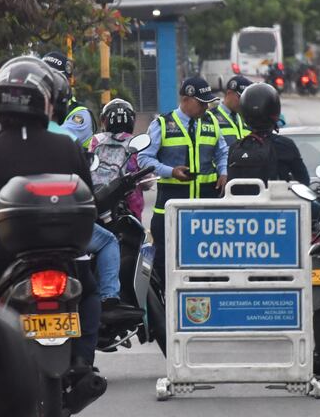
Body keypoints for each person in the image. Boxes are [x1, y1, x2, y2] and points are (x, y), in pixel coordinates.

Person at [0, 56, 104, 369]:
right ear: (45, 102)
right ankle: (84, 361)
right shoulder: (68, 148)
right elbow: (91, 202)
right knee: (89, 294)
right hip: (62, 257)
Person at [45, 69, 123, 310]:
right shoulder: (66, 141)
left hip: (18, 233)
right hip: (65, 228)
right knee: (90, 293)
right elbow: (86, 192)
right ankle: (109, 296)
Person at [137, 76, 229, 280]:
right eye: (201, 102)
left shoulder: (211, 120)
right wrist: (171, 171)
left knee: (207, 264)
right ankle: (166, 308)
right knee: (166, 263)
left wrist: (223, 171)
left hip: (206, 208)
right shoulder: (162, 123)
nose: (206, 107)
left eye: (207, 102)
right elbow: (144, 158)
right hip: (172, 208)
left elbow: (222, 152)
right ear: (186, 99)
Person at [227, 83, 310, 184]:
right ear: (276, 112)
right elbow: (304, 181)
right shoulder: (285, 145)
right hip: (276, 200)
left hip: (241, 200)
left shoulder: (235, 147)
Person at [90, 98, 149, 220]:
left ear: (104, 120)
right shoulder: (135, 142)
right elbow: (147, 181)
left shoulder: (96, 140)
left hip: (100, 199)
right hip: (129, 206)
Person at [42, 50, 95, 147]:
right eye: (43, 77)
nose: (47, 82)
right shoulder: (35, 104)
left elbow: (58, 142)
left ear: (68, 81)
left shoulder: (80, 113)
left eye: (54, 78)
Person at [212, 74, 252, 149]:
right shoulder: (211, 117)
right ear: (229, 93)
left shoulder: (247, 118)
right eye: (241, 97)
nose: (243, 101)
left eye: (246, 98)